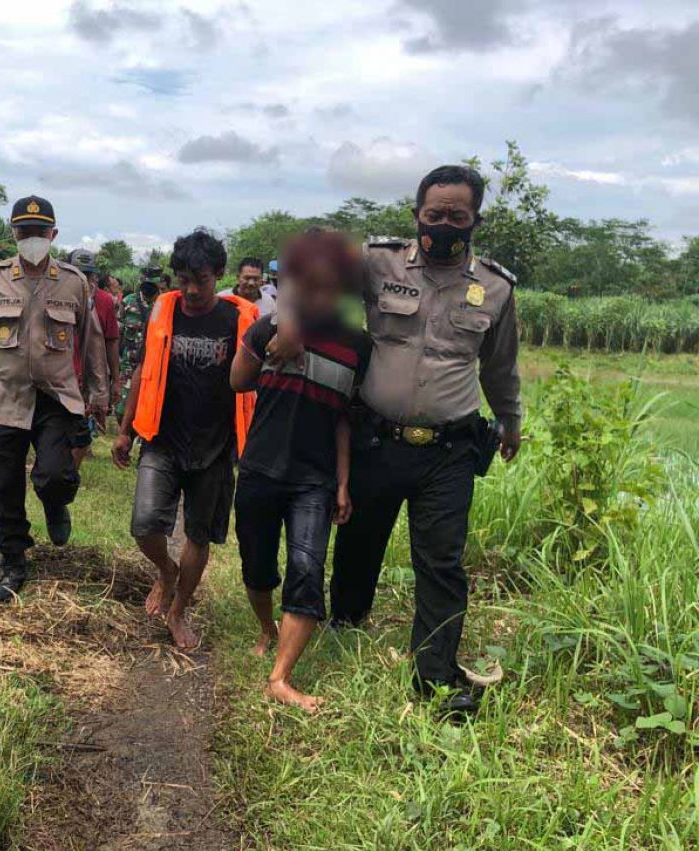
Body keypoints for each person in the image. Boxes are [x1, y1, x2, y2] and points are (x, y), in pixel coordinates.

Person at [272, 165, 522, 716]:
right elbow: (309, 275)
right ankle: (346, 624)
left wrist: (512, 421)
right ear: (417, 215)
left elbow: (500, 368)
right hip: (377, 438)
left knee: (441, 560)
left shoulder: (496, 288)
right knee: (360, 541)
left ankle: (434, 674)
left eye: (457, 216)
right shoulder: (377, 262)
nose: (445, 224)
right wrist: (289, 317)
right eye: (435, 214)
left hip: (451, 448)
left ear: (475, 219)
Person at [0, 196, 109, 602]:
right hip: (4, 398)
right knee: (5, 485)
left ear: (53, 234)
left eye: (40, 232)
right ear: (13, 234)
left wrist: (99, 394)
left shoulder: (74, 282)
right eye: (24, 231)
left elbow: (92, 341)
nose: (32, 238)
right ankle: (13, 561)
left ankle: (56, 504)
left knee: (54, 474)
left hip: (56, 398)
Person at [230, 231, 368, 711]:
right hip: (261, 467)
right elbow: (236, 381)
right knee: (257, 567)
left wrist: (344, 482)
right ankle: (267, 628)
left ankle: (280, 677)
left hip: (315, 477)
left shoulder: (358, 346)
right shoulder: (269, 327)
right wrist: (276, 331)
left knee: (307, 569)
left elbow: (345, 420)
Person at [112, 230, 258, 649]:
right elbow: (144, 371)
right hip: (162, 439)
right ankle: (167, 571)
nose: (191, 290)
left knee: (199, 535)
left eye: (202, 280)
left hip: (215, 447)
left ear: (220, 276)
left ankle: (178, 610)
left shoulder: (240, 321)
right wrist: (124, 431)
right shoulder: (164, 310)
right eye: (183, 279)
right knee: (143, 525)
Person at [66, 249, 120, 466]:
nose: (83, 280)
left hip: (89, 376)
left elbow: (112, 340)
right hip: (61, 374)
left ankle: (71, 470)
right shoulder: (56, 297)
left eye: (87, 275)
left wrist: (115, 380)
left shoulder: (104, 301)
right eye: (78, 274)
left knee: (81, 428)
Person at [115, 266, 162, 420]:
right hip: (129, 364)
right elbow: (117, 335)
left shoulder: (164, 304)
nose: (149, 289)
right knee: (122, 410)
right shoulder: (128, 302)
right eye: (146, 285)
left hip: (153, 367)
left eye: (152, 285)